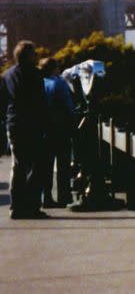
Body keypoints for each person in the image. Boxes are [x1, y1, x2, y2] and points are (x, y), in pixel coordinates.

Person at [0, 40, 48, 219]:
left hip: (13, 124)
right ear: (28, 56)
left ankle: (16, 207)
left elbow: (3, 102)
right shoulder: (35, 74)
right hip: (32, 125)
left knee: (18, 165)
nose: (36, 56)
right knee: (36, 166)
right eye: (34, 53)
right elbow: (41, 102)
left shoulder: (7, 75)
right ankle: (32, 207)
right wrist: (46, 125)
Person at [39, 57, 75, 207]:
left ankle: (46, 198)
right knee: (63, 165)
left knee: (45, 166)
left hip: (43, 129)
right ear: (54, 68)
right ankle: (64, 196)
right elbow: (69, 106)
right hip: (60, 129)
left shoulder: (39, 83)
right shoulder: (59, 83)